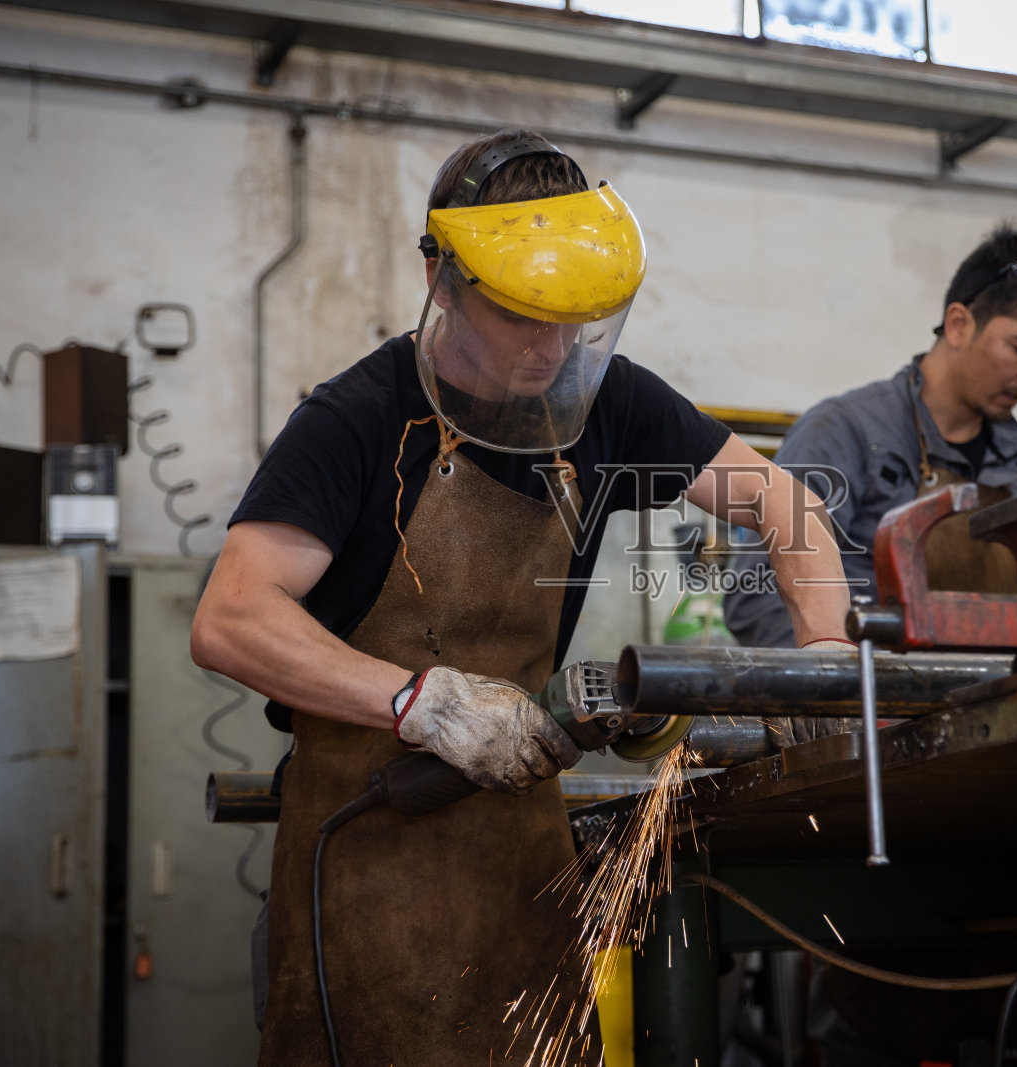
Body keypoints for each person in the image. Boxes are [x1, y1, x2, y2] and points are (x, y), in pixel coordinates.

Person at [190, 129, 851, 1066]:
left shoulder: (609, 399)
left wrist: (823, 660)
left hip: (521, 845)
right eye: (521, 315)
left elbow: (787, 505)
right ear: (440, 279)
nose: (551, 348)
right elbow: (231, 617)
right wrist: (423, 703)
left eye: (573, 319)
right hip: (367, 835)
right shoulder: (356, 420)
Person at [723, 221, 1017, 651]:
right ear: (958, 324)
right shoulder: (846, 432)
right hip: (872, 705)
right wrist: (857, 692)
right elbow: (756, 600)